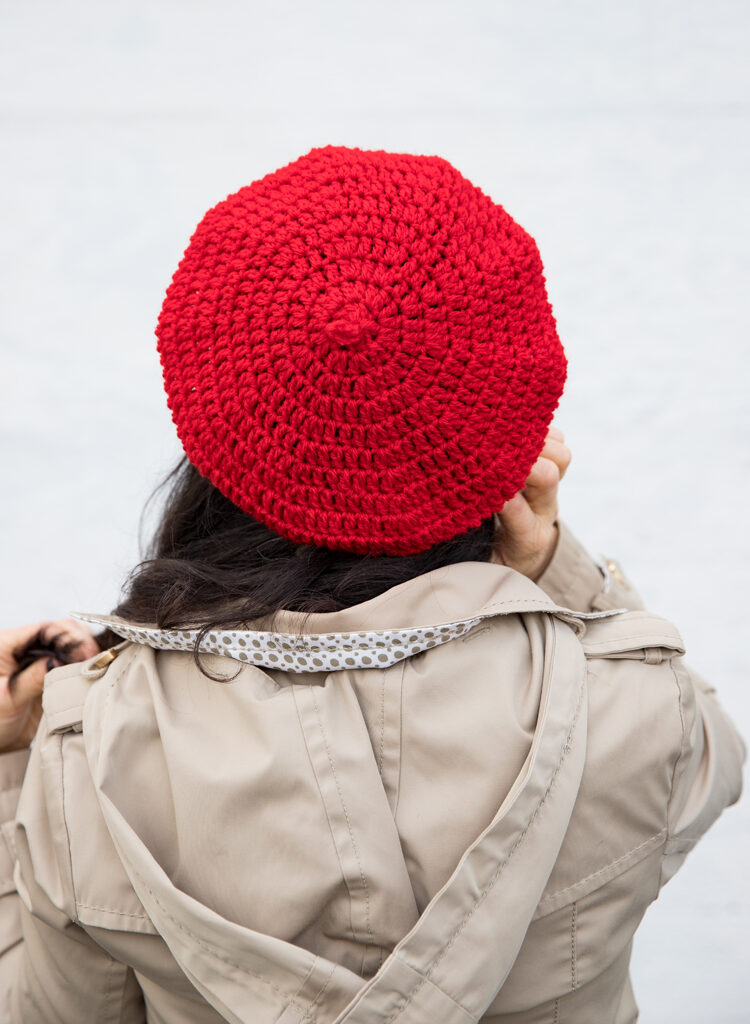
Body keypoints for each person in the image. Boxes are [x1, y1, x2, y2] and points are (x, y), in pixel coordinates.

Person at [0, 146, 744, 1023]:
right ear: (509, 435)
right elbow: (695, 745)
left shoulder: (93, 749)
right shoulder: (646, 716)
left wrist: (14, 766)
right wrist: (554, 571)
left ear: (221, 428)